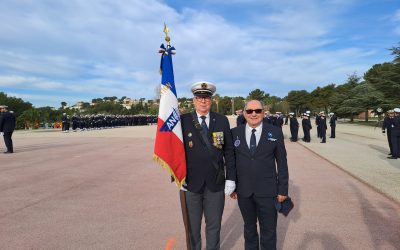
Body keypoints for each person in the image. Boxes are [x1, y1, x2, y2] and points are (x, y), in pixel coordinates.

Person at [180, 81, 236, 250]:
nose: (203, 101)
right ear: (193, 100)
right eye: (199, 97)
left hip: (215, 183)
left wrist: (231, 178)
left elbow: (229, 151)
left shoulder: (222, 121)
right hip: (190, 183)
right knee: (193, 228)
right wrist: (177, 176)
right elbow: (175, 150)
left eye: (206, 97)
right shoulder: (183, 121)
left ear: (211, 100)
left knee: (214, 227)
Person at [230, 100, 289, 250]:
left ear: (263, 112)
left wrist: (283, 189)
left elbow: (282, 162)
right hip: (244, 190)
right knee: (249, 229)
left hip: (268, 190)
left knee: (268, 230)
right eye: (249, 111)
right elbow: (231, 161)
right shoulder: (235, 133)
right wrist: (232, 184)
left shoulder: (275, 132)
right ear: (244, 114)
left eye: (257, 111)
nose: (253, 114)